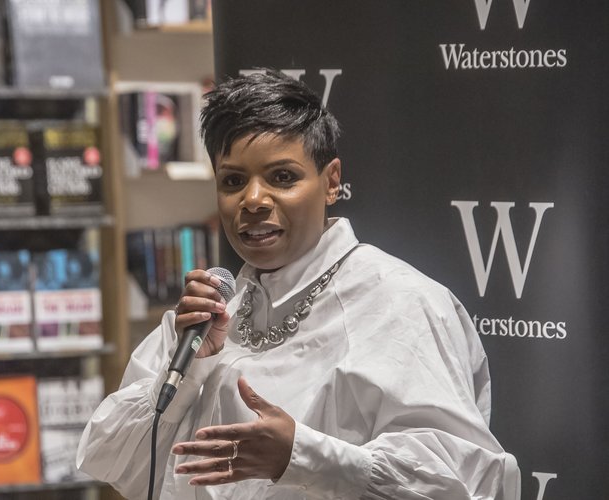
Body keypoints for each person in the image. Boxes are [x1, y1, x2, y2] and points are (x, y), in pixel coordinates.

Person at [77, 69, 520, 499]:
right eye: (233, 181)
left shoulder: (402, 303)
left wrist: (302, 457)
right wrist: (190, 369)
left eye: (282, 177)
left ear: (331, 182)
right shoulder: (206, 315)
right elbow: (115, 461)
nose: (253, 200)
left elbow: (462, 485)